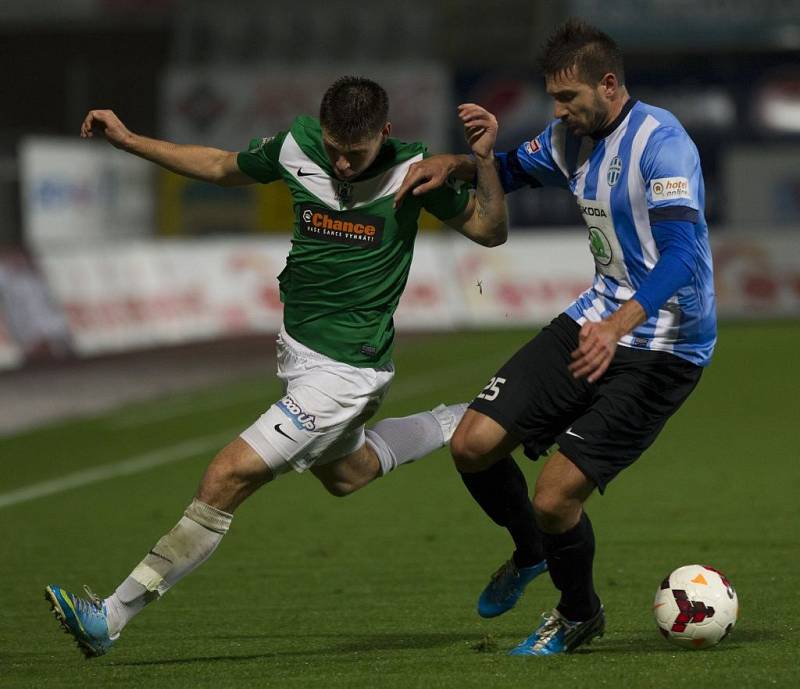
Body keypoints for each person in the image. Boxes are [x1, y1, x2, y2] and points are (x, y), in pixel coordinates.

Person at [45, 76, 508, 658]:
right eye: (335, 147)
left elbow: (492, 232)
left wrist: (481, 162)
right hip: (299, 356)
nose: (341, 162)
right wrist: (131, 139)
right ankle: (466, 415)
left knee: (225, 478)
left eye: (356, 152)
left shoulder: (418, 173)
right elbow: (219, 165)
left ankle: (108, 618)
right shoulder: (297, 146)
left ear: (385, 134)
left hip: (346, 372)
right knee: (349, 473)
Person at [395, 19, 716, 656]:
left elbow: (683, 254)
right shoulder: (570, 140)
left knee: (555, 495)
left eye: (568, 99)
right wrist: (463, 160)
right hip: (593, 318)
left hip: (665, 346)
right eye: (553, 99)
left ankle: (578, 614)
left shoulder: (663, 143)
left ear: (609, 84)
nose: (558, 111)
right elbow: (511, 170)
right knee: (473, 445)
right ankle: (530, 553)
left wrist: (622, 322)